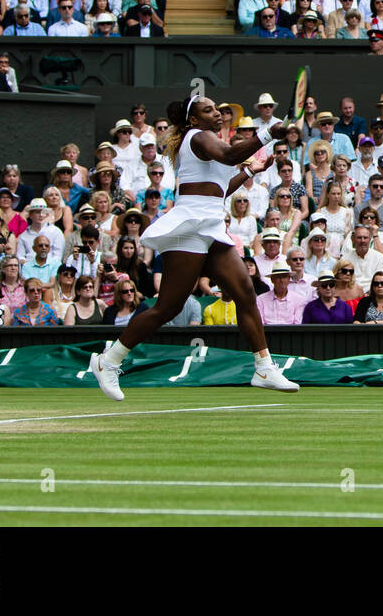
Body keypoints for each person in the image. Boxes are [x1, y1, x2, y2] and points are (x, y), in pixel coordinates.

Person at [88, 96, 299, 399]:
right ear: (194, 120)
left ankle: (264, 367)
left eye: (217, 109)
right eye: (208, 110)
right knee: (168, 307)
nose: (216, 113)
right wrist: (267, 134)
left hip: (211, 225)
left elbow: (219, 188)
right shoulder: (198, 136)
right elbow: (229, 155)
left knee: (245, 292)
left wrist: (251, 172)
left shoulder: (206, 142)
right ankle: (108, 361)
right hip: (190, 226)